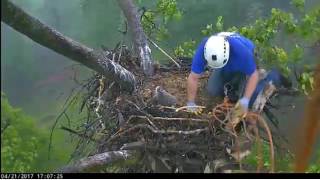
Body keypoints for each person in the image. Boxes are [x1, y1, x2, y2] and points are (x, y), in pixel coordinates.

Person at [186, 32, 259, 115]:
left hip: (242, 63)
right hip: (223, 63)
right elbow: (193, 77)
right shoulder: (205, 47)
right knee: (212, 90)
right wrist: (190, 102)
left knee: (238, 97)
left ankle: (237, 92)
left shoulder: (242, 52)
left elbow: (254, 75)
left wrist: (245, 100)